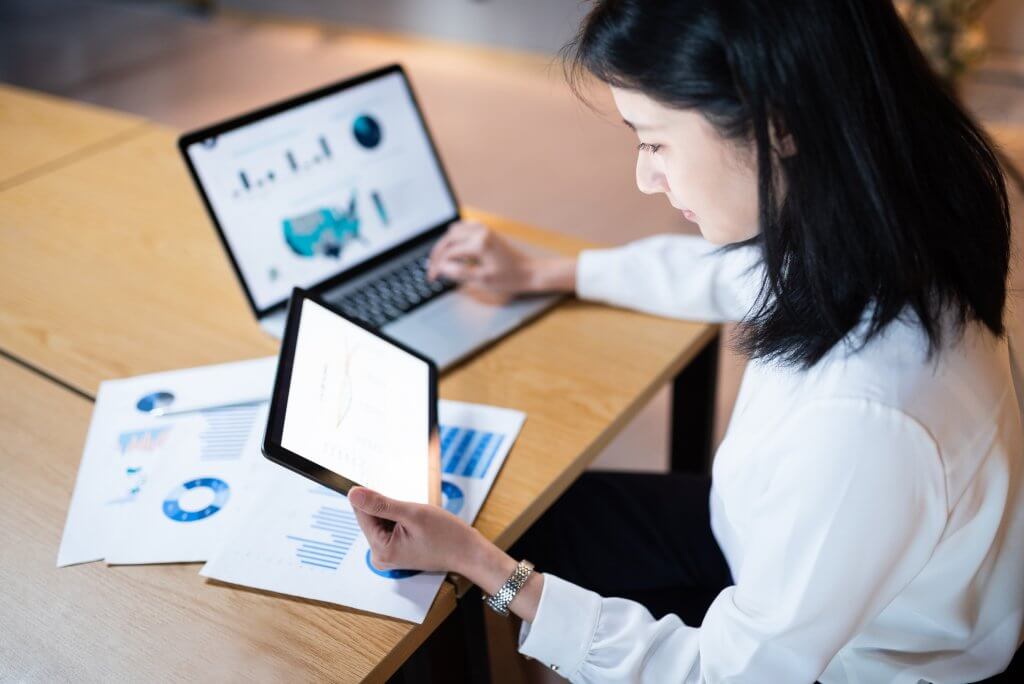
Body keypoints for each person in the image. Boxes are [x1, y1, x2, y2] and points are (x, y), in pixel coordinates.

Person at [347, 0, 1024, 681]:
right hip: (769, 550)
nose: (645, 175)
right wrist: (549, 270)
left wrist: (487, 569)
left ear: (777, 124)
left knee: (485, 544)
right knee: (522, 512)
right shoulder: (878, 221)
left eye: (654, 140)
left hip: (843, 658)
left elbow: (723, 673)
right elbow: (730, 274)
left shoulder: (866, 418)